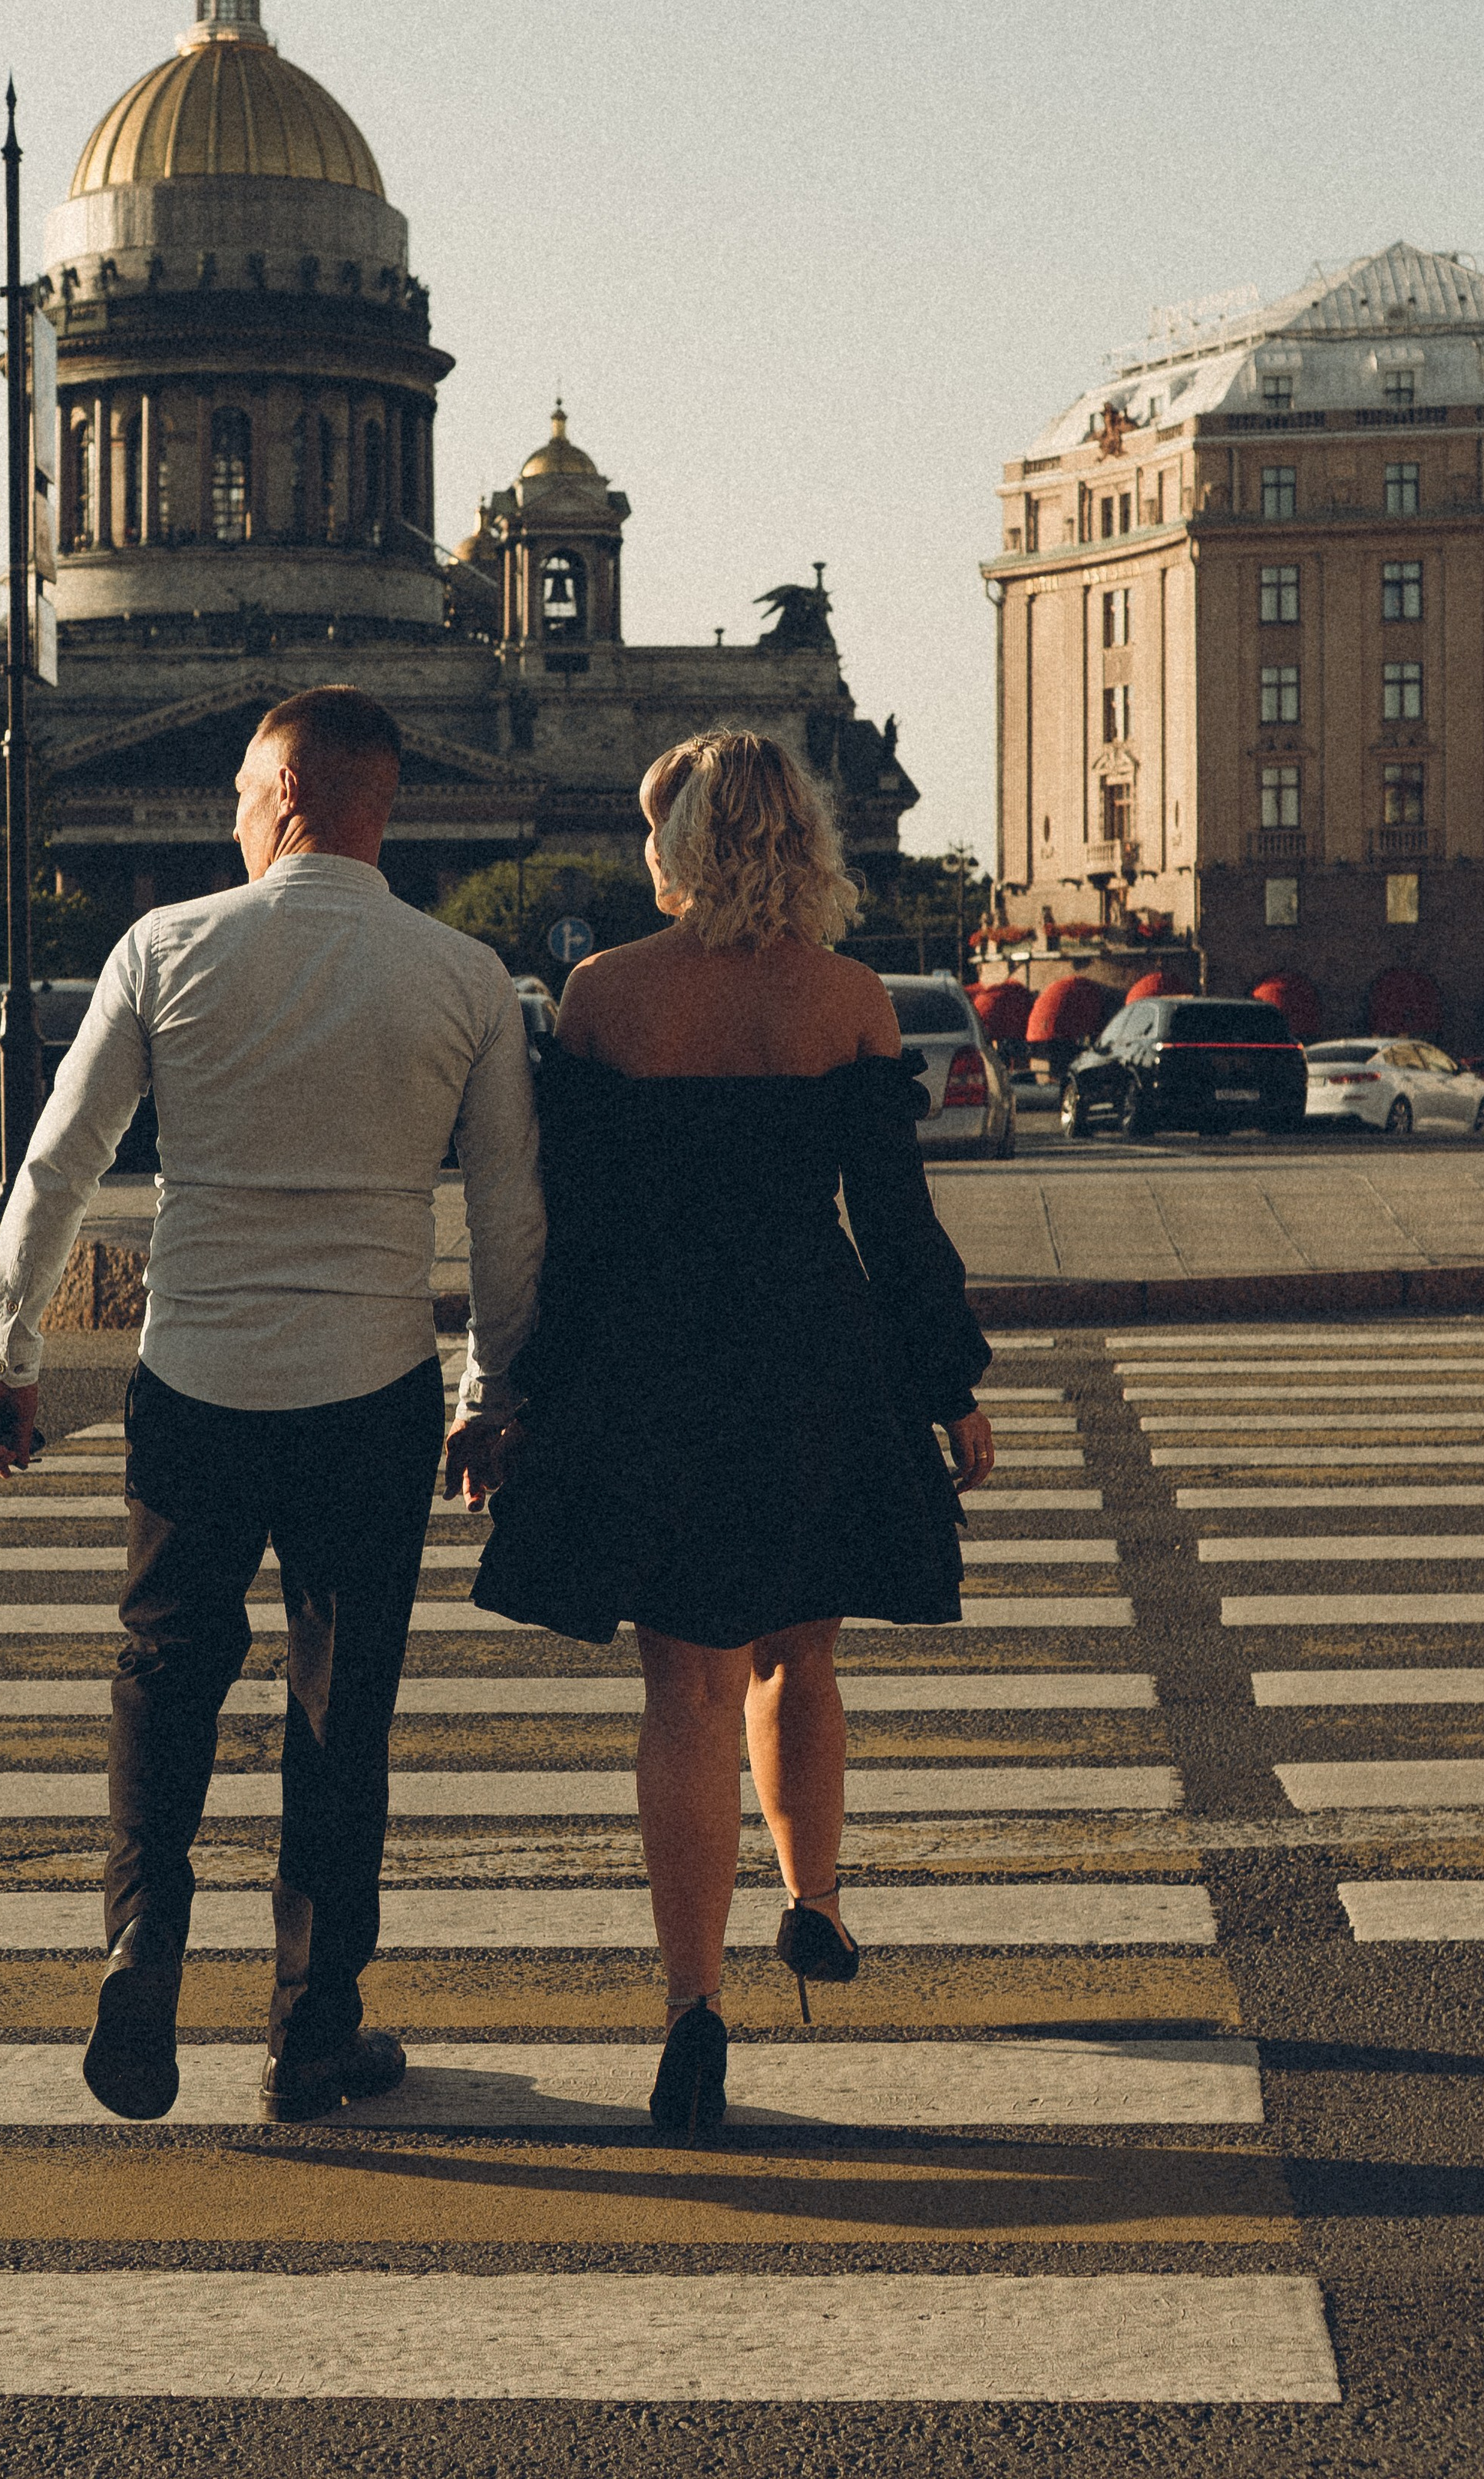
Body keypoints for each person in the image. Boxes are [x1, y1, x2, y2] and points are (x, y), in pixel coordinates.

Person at [0, 687, 544, 2124]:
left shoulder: (165, 946)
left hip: (196, 1386)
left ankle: (142, 1947)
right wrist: (493, 1393)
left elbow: (59, 1163)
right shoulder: (465, 977)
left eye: (237, 792)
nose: (230, 815)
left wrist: (7, 1355)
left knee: (164, 1675)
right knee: (343, 1710)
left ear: (282, 791)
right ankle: (311, 2032)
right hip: (373, 1391)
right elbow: (510, 1216)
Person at [468, 729, 993, 2136]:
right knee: (801, 1650)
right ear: (802, 838)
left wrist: (520, 1394)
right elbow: (898, 1225)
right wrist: (948, 1387)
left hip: (650, 1364)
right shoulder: (850, 999)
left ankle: (691, 2009)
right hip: (814, 1353)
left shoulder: (605, 993)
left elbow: (568, 1231)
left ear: (683, 842)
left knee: (686, 1693)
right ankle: (815, 1900)